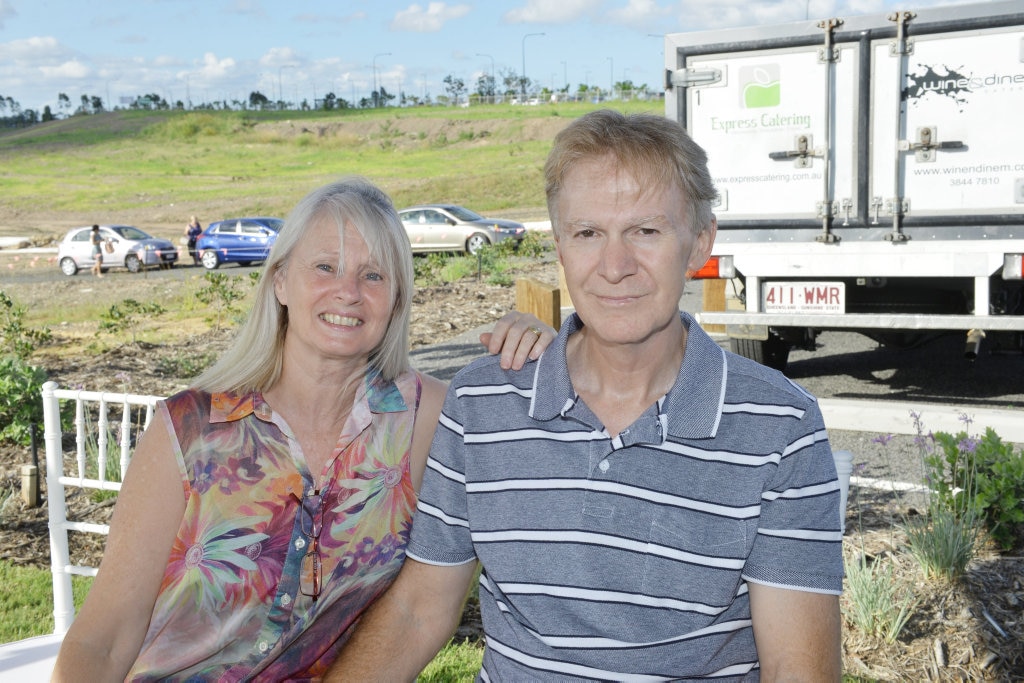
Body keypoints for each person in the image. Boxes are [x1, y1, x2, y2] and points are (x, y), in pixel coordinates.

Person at [328, 110, 844, 681]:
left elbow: (799, 669)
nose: (615, 266)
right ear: (561, 247)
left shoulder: (780, 426)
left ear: (700, 242)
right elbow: (417, 607)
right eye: (588, 233)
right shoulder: (481, 403)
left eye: (645, 231)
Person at [50, 177, 555, 681]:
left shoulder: (426, 420)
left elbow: (539, 437)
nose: (349, 293)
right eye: (325, 267)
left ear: (397, 299)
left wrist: (546, 353)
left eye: (373, 275)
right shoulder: (188, 429)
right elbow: (104, 637)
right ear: (280, 281)